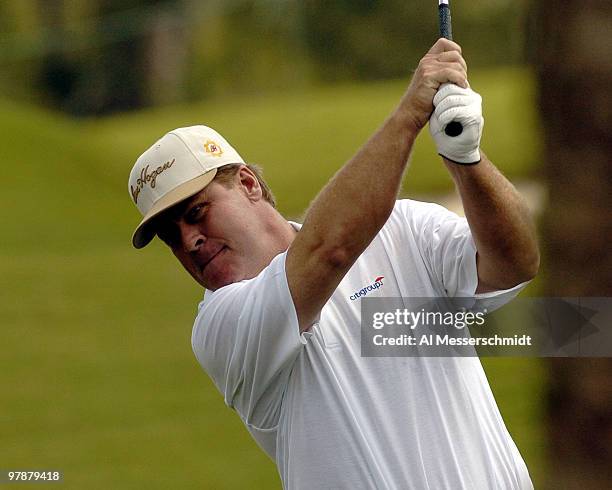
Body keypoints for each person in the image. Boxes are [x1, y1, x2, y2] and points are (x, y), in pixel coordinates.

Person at [128, 39, 538, 489]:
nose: (190, 240)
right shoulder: (222, 325)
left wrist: (466, 159)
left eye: (196, 213)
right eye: (171, 235)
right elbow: (329, 252)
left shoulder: (402, 228)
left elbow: (515, 261)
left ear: (247, 183)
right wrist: (409, 115)